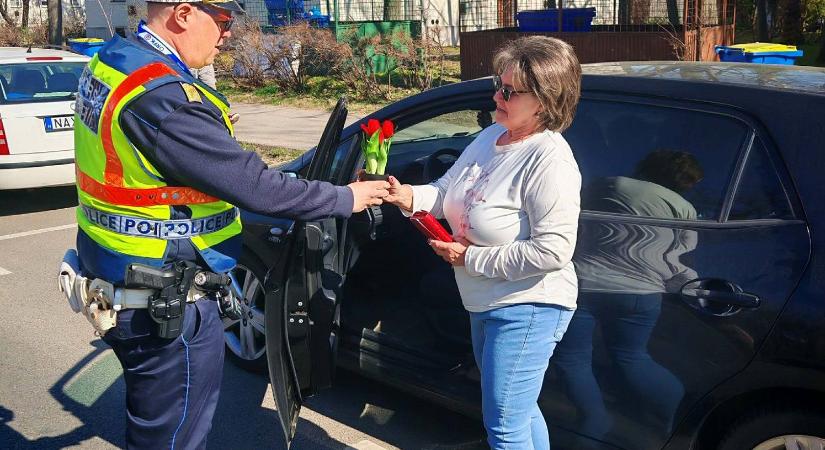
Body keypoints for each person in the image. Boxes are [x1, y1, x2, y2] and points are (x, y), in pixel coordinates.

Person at [68, 0, 389, 447]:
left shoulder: (115, 62)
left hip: (119, 273)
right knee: (175, 438)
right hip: (167, 303)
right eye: (222, 20)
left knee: (157, 427)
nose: (229, 33)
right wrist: (346, 197)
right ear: (183, 13)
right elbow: (255, 188)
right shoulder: (164, 98)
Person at [384, 36, 582, 449]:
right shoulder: (492, 135)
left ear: (544, 100)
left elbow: (553, 250)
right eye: (498, 85)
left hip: (527, 306)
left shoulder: (550, 160)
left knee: (505, 427)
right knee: (520, 413)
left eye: (509, 91)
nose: (497, 96)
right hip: (484, 300)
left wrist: (470, 258)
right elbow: (446, 190)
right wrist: (407, 196)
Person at [552, 150, 703, 441]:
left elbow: (568, 219)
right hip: (641, 294)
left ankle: (594, 420)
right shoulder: (685, 209)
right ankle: (677, 417)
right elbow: (680, 259)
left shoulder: (610, 184)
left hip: (584, 286)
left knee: (572, 359)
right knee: (632, 357)